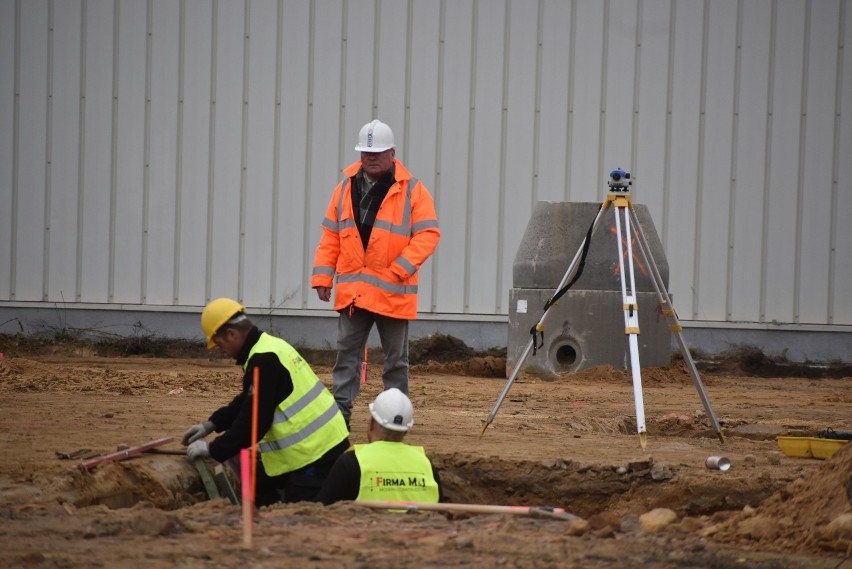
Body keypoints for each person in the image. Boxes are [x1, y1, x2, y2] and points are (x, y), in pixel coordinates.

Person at [312, 119, 440, 427]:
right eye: (366, 152)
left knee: (396, 361)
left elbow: (428, 234)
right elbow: (331, 235)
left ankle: (395, 418)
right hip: (354, 293)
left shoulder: (412, 191)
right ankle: (339, 417)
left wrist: (400, 269)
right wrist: (322, 276)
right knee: (346, 357)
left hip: (393, 292)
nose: (371, 157)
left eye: (378, 152)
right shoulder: (344, 188)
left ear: (392, 153)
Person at [181, 298, 350, 506]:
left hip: (313, 456)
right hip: (326, 443)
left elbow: (253, 423)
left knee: (299, 513)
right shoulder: (269, 346)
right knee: (259, 485)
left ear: (232, 334)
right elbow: (250, 399)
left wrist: (212, 450)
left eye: (219, 344)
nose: (221, 351)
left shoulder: (263, 360)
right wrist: (213, 423)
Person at [315, 388, 442, 505]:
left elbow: (319, 511)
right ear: (405, 431)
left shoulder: (351, 463)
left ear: (372, 423)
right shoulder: (426, 464)